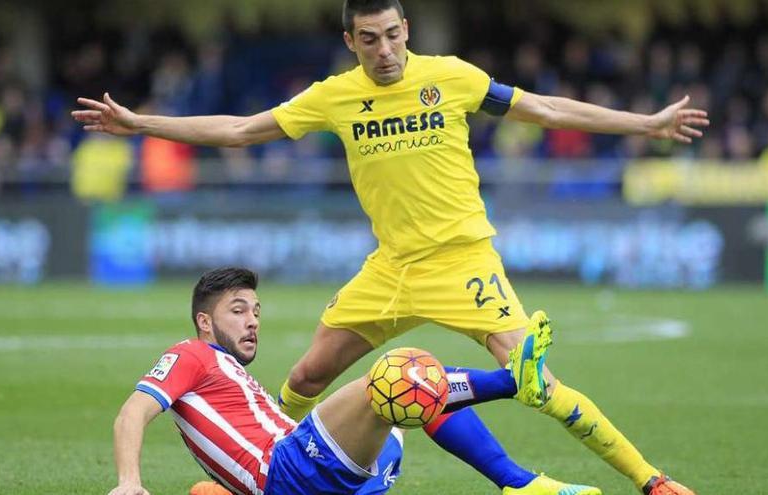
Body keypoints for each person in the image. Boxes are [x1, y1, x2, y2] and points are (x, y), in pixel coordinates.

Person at [75, 2, 708, 493]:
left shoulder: (452, 77)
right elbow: (241, 129)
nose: (385, 51)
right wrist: (138, 124)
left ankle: (647, 478)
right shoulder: (335, 95)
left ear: (407, 29)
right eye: (369, 39)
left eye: (393, 35)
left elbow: (544, 108)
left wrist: (646, 123)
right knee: (306, 375)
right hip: (389, 269)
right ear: (351, 42)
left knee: (539, 383)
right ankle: (272, 472)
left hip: (464, 261)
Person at [108, 267, 601, 495]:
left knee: (413, 402)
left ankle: (518, 480)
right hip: (291, 471)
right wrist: (129, 483)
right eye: (237, 311)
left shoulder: (233, 377)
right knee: (396, 374)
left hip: (330, 474)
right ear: (204, 323)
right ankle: (514, 384)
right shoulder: (192, 354)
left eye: (256, 311)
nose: (253, 321)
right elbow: (133, 411)